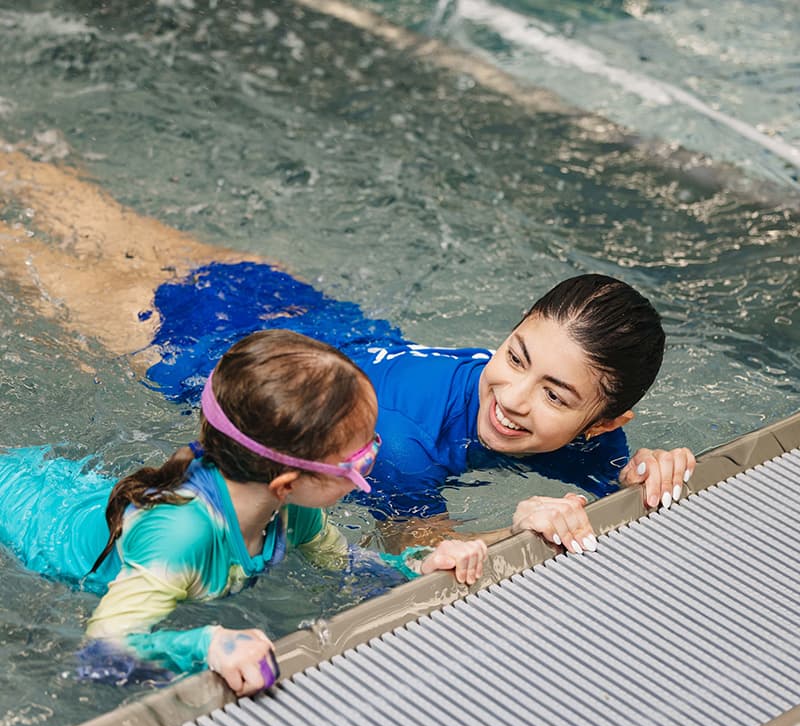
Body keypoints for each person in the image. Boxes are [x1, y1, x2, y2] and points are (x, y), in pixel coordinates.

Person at [1, 144, 693, 556]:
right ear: (508, 332)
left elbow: (626, 492)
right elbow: (427, 570)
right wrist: (518, 529)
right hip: (195, 340)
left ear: (605, 424)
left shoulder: (595, 442)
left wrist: (650, 475)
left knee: (85, 224)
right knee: (38, 236)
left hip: (307, 316)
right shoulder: (401, 446)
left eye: (554, 394)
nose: (511, 396)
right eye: (515, 357)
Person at [0, 330, 487, 696]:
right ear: (287, 482)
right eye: (361, 458)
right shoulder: (183, 537)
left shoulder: (294, 511)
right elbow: (99, 652)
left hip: (64, 491)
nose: (377, 456)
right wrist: (206, 646)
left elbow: (351, 571)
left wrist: (421, 566)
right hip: (23, 515)